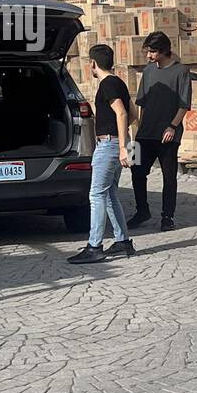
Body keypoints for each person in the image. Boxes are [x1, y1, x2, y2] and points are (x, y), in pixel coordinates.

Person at [69, 45, 135, 264]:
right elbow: (133, 114)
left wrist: (123, 147)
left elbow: (123, 113)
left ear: (93, 64)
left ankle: (94, 245)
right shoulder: (120, 83)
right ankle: (122, 241)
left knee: (96, 195)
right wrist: (124, 144)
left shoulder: (107, 85)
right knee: (110, 194)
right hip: (115, 144)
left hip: (109, 145)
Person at [127, 32, 192, 232]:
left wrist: (172, 126)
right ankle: (142, 211)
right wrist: (136, 133)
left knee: (169, 177)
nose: (148, 56)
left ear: (164, 51)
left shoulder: (181, 72)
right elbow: (142, 105)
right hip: (144, 134)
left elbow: (184, 105)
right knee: (136, 171)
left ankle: (167, 217)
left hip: (168, 135)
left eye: (152, 52)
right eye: (148, 52)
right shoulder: (147, 72)